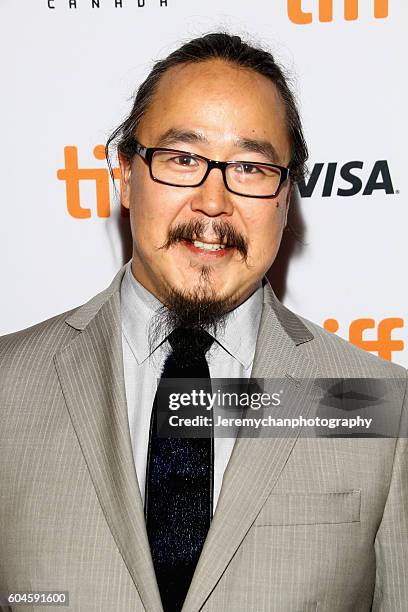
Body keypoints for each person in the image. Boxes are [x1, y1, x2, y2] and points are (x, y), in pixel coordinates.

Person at [0, 32, 407, 612]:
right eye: (182, 159)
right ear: (123, 175)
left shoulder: (375, 403)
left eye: (250, 167)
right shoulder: (6, 386)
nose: (213, 203)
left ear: (285, 199)